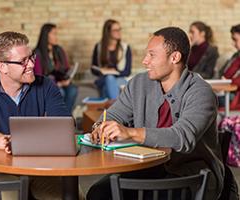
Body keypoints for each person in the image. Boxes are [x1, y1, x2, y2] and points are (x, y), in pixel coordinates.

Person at [87, 27, 224, 200]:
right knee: (98, 193)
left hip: (189, 176)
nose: (145, 61)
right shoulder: (138, 84)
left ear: (174, 57)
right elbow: (113, 115)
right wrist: (101, 127)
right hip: (145, 168)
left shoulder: (200, 92)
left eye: (152, 55)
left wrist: (130, 132)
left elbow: (182, 137)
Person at [0, 31, 81, 200]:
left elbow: (65, 124)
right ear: (2, 66)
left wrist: (25, 143)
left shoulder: (46, 86)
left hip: (43, 167)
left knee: (74, 196)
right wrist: (9, 143)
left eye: (31, 57)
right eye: (22, 61)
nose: (32, 64)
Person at [34, 23, 78, 112]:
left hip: (61, 81)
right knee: (59, 92)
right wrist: (58, 84)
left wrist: (68, 75)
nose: (56, 37)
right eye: (54, 34)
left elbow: (65, 68)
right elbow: (38, 76)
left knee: (73, 89)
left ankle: (66, 117)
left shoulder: (59, 50)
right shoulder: (37, 53)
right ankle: (57, 118)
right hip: (46, 84)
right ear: (46, 35)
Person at [91, 19, 132, 99]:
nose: (119, 32)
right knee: (108, 80)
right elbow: (93, 68)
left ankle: (108, 108)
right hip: (103, 78)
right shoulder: (99, 47)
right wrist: (103, 71)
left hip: (120, 78)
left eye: (120, 29)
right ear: (108, 32)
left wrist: (113, 72)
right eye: (116, 30)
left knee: (108, 82)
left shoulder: (125, 47)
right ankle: (116, 109)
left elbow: (127, 71)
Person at [220, 24, 240, 109]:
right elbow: (224, 75)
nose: (233, 44)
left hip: (235, 96)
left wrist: (228, 81)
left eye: (235, 40)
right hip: (229, 91)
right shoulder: (236, 56)